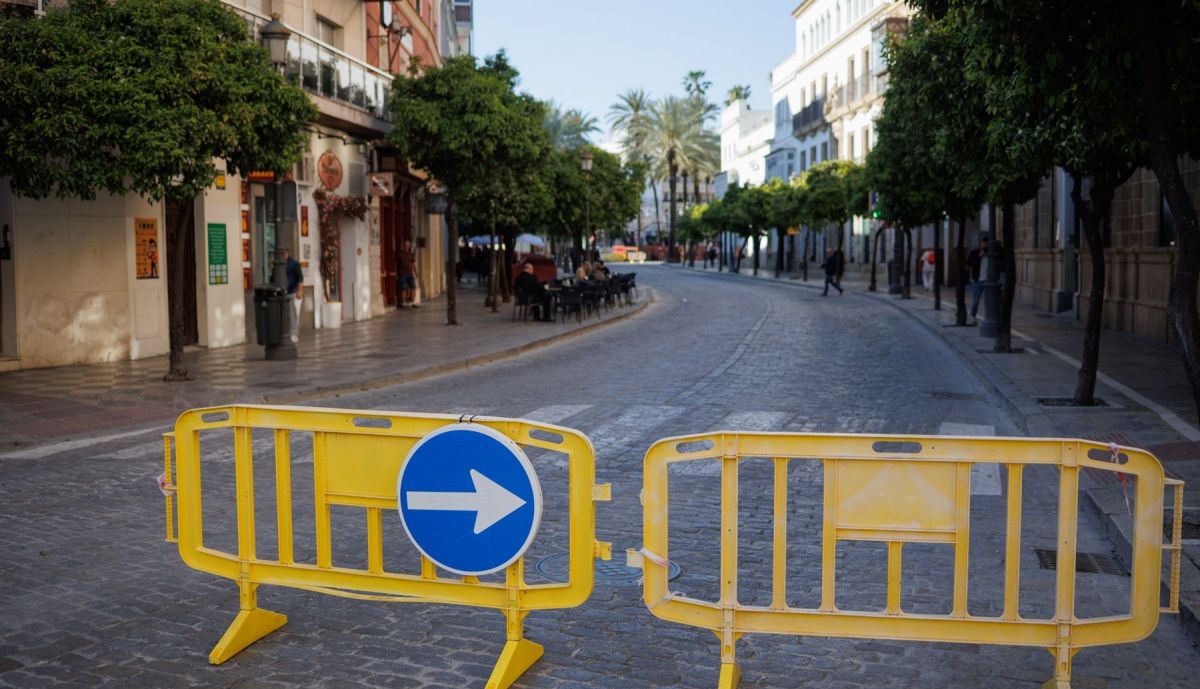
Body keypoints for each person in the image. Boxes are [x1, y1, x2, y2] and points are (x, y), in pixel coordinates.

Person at [284, 248, 303, 343]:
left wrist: (299, 291)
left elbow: (300, 278)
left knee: (293, 313)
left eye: (284, 252)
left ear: (287, 253)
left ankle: (294, 333)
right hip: (283, 292)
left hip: (292, 291)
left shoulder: (294, 264)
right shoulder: (278, 264)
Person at [967, 236, 988, 321]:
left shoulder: (992, 254)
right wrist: (979, 257)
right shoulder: (975, 253)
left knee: (988, 302)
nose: (984, 245)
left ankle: (988, 318)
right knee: (976, 301)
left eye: (986, 244)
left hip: (988, 281)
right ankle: (973, 316)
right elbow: (969, 264)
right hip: (977, 280)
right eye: (983, 243)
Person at [398, 240, 418, 309]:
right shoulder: (399, 254)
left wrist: (415, 272)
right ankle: (403, 303)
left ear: (409, 246)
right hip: (402, 273)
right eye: (405, 245)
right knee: (403, 288)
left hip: (410, 273)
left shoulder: (411, 254)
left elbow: (413, 264)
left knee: (413, 287)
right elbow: (396, 264)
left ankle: (412, 302)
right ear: (403, 246)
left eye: (408, 245)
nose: (406, 246)